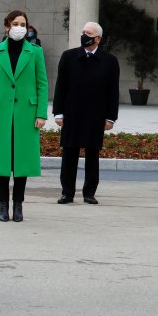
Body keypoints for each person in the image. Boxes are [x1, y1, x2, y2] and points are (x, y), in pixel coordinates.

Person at [0, 9, 48, 222]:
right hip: (0, 112)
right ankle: (3, 204)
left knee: (22, 161)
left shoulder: (35, 52)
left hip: (26, 113)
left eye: (23, 24)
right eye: (15, 23)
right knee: (2, 161)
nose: (19, 27)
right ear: (7, 26)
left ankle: (18, 204)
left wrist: (41, 113)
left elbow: (42, 83)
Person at [53, 21, 120, 205]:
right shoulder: (68, 57)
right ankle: (67, 192)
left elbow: (113, 92)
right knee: (69, 153)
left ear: (98, 38)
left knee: (92, 154)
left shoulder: (110, 61)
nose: (84, 35)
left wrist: (110, 117)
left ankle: (89, 192)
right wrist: (58, 113)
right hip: (72, 112)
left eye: (88, 33)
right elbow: (61, 87)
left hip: (96, 115)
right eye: (83, 32)